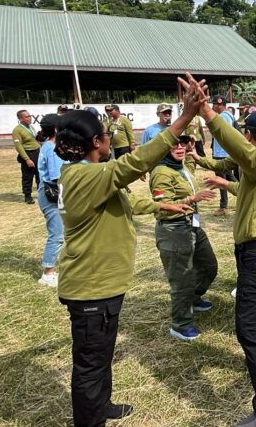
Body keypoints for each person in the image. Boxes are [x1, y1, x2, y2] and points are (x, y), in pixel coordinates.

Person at [55, 75, 202, 427]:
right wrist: (184, 118)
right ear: (96, 141)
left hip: (101, 285)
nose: (111, 139)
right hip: (91, 287)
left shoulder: (86, 175)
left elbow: (128, 201)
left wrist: (163, 207)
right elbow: (135, 165)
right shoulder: (86, 176)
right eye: (107, 135)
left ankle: (101, 406)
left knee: (100, 357)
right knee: (90, 366)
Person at [199, 100, 256, 427]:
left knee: (249, 328)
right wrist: (227, 185)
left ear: (251, 135)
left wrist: (208, 115)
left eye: (246, 134)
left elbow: (240, 150)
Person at [149, 134, 219, 341]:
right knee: (182, 280)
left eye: (183, 143)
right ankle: (181, 323)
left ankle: (193, 299)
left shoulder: (181, 166)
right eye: (174, 144)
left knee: (209, 266)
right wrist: (192, 198)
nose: (180, 147)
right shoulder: (162, 172)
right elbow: (162, 208)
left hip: (192, 225)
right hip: (174, 230)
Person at [36, 114, 63, 288]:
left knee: (63, 233)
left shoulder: (50, 146)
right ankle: (48, 273)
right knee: (57, 234)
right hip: (53, 194)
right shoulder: (52, 149)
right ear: (56, 129)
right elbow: (58, 177)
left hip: (56, 193)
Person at [210, 95, 238, 216]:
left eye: (214, 104)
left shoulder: (223, 117)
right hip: (224, 152)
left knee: (221, 180)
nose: (212, 106)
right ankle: (246, 194)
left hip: (222, 153)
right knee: (230, 178)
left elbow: (224, 134)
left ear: (219, 105)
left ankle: (223, 206)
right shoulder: (228, 115)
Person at [12, 109, 41, 204]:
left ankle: (41, 194)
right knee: (28, 176)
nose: (30, 118)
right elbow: (18, 146)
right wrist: (27, 159)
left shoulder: (31, 127)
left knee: (39, 174)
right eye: (27, 117)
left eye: (30, 116)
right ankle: (27, 196)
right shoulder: (17, 130)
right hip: (28, 153)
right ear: (21, 119)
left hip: (37, 152)